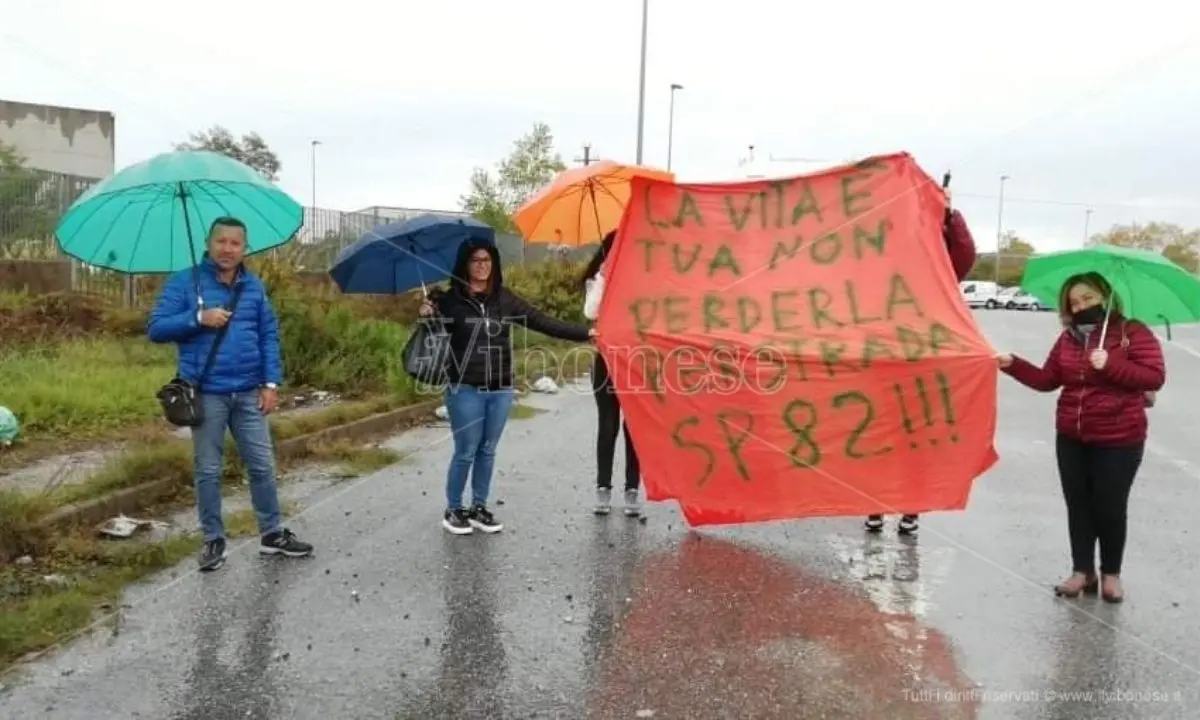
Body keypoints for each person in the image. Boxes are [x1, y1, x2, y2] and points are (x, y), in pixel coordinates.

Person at [148, 216, 313, 572]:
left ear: (244, 248)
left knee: (263, 466)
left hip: (250, 393)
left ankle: (271, 534)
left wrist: (271, 383)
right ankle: (213, 540)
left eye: (234, 243)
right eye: (220, 241)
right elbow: (156, 328)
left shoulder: (253, 287)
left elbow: (268, 334)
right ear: (209, 244)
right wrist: (198, 317)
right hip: (206, 394)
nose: (227, 248)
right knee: (208, 469)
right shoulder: (185, 283)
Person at [997, 272, 1164, 603]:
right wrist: (1012, 364)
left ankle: (1111, 574)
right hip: (1072, 437)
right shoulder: (1068, 338)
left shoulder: (1132, 332)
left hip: (1119, 438)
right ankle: (1082, 571)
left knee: (1110, 507)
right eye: (1074, 302)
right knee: (1079, 506)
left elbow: (1154, 377)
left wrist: (1111, 364)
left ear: (1105, 296)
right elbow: (1048, 379)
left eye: (1087, 298)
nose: (1081, 306)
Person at [420, 238, 594, 535]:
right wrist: (427, 316)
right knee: (466, 450)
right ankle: (453, 509)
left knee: (487, 450)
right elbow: (431, 341)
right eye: (476, 260)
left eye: (487, 260)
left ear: (495, 263)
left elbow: (543, 321)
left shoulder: (505, 299)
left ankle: (478, 507)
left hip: (500, 389)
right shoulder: (449, 301)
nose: (482, 265)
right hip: (464, 388)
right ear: (465, 264)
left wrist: (585, 333)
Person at [866, 193, 977, 536]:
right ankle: (874, 505)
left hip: (926, 369)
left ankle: (910, 509)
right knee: (879, 441)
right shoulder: (880, 267)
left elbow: (964, 254)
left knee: (917, 444)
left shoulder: (940, 269)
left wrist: (949, 215)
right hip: (884, 365)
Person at [581, 230, 642, 516]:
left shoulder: (642, 278)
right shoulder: (598, 280)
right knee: (608, 426)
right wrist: (605, 276)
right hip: (606, 361)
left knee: (635, 428)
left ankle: (632, 489)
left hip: (637, 362)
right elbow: (591, 312)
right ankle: (603, 488)